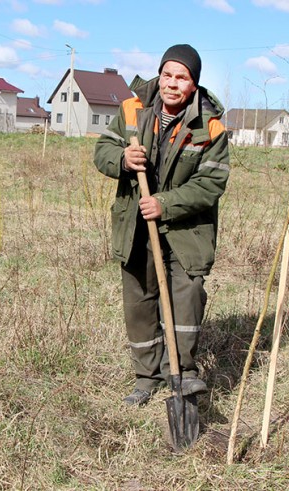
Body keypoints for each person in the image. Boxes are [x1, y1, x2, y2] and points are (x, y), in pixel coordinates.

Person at [93, 44, 230, 406]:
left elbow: (211, 183)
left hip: (187, 231)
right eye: (167, 74)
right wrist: (122, 158)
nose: (172, 83)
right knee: (140, 302)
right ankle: (146, 377)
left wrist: (165, 203)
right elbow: (102, 151)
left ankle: (182, 374)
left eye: (181, 77)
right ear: (160, 75)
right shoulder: (132, 110)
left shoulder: (211, 127)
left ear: (194, 84)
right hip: (136, 228)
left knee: (186, 300)